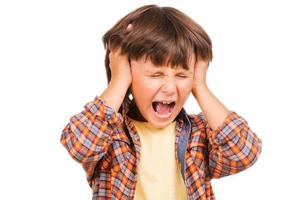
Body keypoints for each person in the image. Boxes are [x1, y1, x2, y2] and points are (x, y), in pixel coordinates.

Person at [60, 4, 262, 200]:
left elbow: (245, 153)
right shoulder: (110, 134)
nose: (169, 88)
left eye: (182, 75)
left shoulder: (199, 134)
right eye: (156, 74)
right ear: (128, 72)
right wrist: (119, 80)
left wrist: (200, 86)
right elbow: (80, 146)